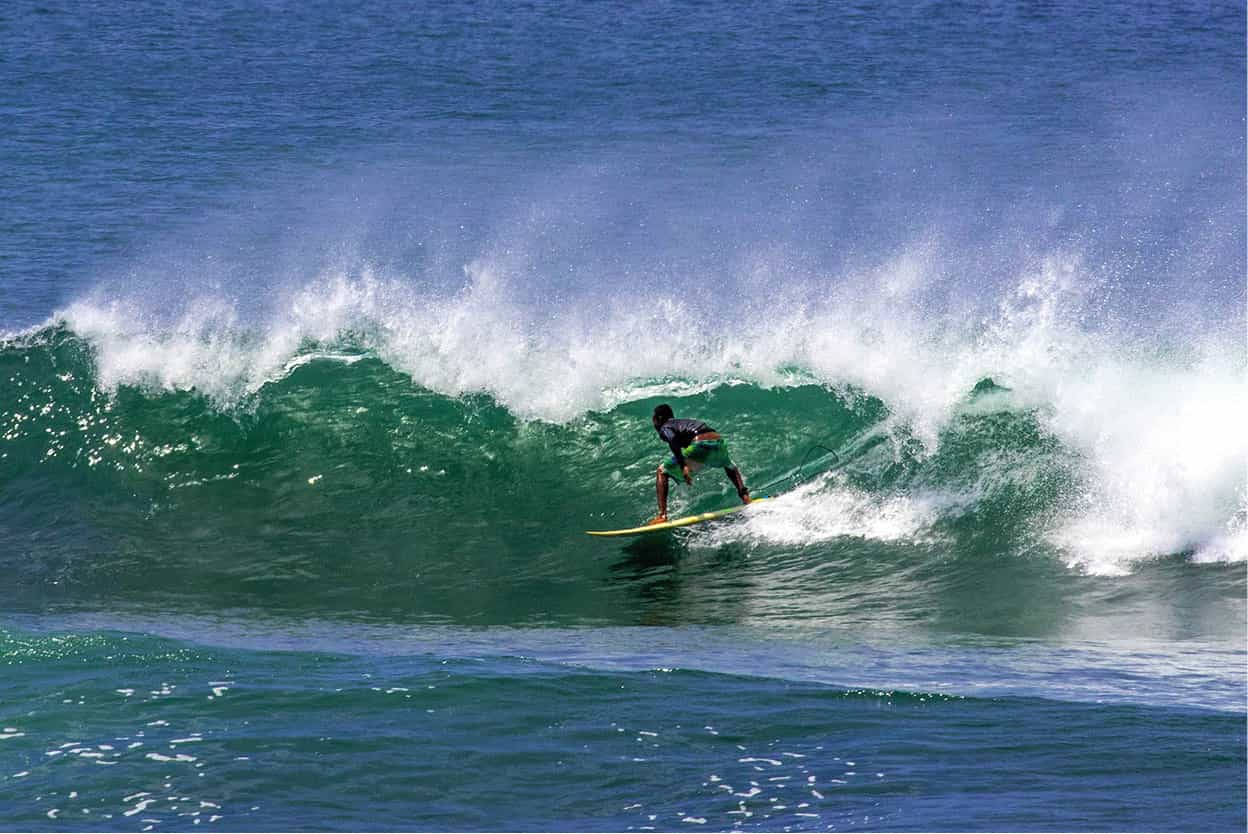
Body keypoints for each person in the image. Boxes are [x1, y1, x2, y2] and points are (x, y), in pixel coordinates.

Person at [648, 403, 750, 524]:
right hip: (719, 442)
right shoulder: (682, 422)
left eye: (654, 417)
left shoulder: (665, 427)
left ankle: (662, 516)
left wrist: (683, 465)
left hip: (699, 444)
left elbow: (673, 440)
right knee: (729, 465)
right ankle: (746, 497)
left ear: (659, 418)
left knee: (662, 471)